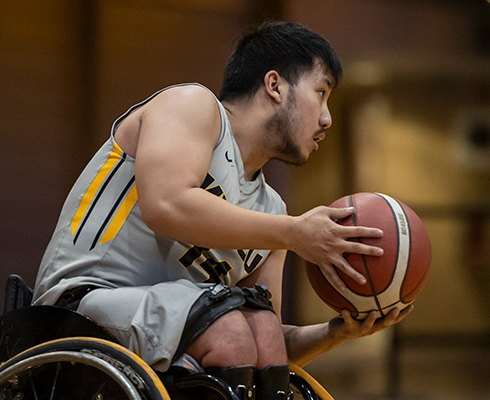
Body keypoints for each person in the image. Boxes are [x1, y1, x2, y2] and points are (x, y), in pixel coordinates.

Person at [33, 21, 412, 399]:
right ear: (275, 85)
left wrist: (334, 333)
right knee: (230, 328)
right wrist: (294, 232)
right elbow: (166, 204)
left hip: (168, 331)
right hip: (73, 311)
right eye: (321, 92)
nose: (327, 118)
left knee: (259, 326)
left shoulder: (272, 210)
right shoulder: (193, 106)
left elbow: (266, 347)